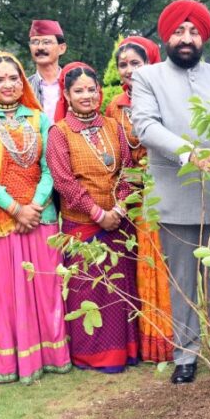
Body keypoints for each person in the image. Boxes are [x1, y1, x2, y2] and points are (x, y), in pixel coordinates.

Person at [131, 0, 210, 384]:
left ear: (204, 37)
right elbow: (145, 127)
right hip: (174, 196)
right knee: (181, 281)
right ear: (167, 36)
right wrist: (190, 153)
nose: (187, 38)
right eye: (179, 31)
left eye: (193, 31)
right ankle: (185, 355)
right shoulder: (148, 77)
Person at [0, 52, 71, 383]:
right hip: (0, 221)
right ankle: (6, 364)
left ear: (22, 81)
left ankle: (49, 357)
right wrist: (16, 209)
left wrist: (34, 207)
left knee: (45, 289)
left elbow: (51, 166)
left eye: (13, 78)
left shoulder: (39, 118)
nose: (8, 85)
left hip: (41, 218)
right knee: (5, 296)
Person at [47, 62, 140, 373]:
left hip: (118, 222)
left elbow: (128, 170)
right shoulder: (59, 132)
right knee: (88, 290)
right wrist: (98, 213)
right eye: (79, 91)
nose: (86, 95)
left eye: (91, 89)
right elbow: (63, 181)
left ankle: (125, 352)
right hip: (82, 225)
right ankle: (91, 355)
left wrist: (120, 209)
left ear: (100, 91)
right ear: (67, 95)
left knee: (118, 290)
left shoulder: (112, 126)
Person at [103, 36, 174, 363]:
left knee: (161, 266)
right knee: (130, 269)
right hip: (125, 199)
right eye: (123, 64)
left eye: (136, 63)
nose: (129, 70)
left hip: (161, 194)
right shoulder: (114, 106)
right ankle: (139, 344)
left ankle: (167, 342)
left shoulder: (166, 98)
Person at [27, 20, 67, 122]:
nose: (40, 47)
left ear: (62, 48)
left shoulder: (73, 85)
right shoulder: (24, 87)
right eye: (35, 42)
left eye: (47, 42)